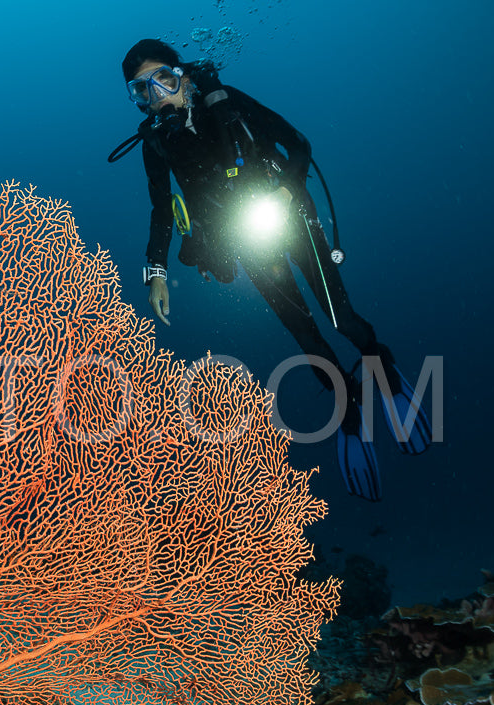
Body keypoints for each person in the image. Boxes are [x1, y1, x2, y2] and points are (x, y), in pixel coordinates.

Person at [111, 38, 431, 501]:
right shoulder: (156, 144)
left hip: (290, 220)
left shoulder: (227, 102)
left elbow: (298, 143)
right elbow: (162, 210)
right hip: (246, 241)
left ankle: (384, 369)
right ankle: (348, 413)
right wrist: (155, 272)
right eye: (143, 90)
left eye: (164, 78)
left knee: (341, 318)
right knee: (306, 337)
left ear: (182, 74)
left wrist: (284, 194)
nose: (159, 95)